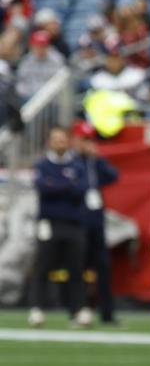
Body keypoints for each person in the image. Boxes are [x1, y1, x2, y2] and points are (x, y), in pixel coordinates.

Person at [28, 127, 90, 328]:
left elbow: (80, 190)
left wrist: (57, 185)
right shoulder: (42, 165)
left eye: (62, 140)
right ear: (49, 142)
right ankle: (37, 308)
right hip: (49, 223)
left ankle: (78, 310)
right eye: (56, 140)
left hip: (73, 223)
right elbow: (43, 188)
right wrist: (66, 185)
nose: (59, 144)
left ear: (68, 142)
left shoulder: (77, 165)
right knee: (43, 266)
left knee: (76, 268)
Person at [73, 120, 120, 325]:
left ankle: (107, 315)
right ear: (75, 140)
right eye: (84, 139)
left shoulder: (96, 162)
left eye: (90, 139)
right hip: (78, 221)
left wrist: (98, 159)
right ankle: (79, 311)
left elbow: (113, 176)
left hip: (96, 221)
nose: (88, 144)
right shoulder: (71, 162)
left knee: (104, 268)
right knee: (78, 268)